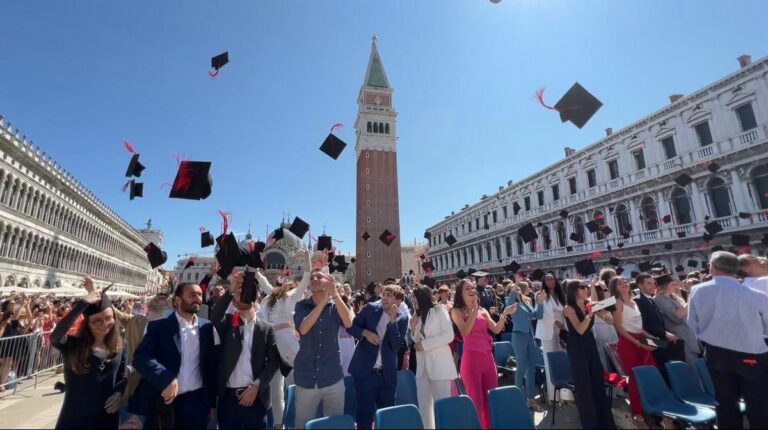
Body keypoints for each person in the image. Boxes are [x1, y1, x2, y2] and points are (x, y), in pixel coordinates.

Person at [688, 251, 768, 429]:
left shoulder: (697, 291)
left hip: (716, 354)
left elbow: (692, 325)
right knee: (758, 404)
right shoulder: (756, 295)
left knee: (725, 403)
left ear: (713, 268)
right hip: (752, 354)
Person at [132, 282, 218, 430]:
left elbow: (210, 366)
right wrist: (166, 378)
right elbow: (141, 357)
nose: (197, 298)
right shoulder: (159, 326)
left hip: (197, 403)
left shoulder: (207, 327)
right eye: (192, 295)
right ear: (177, 300)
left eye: (199, 295)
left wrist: (209, 403)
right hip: (166, 401)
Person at [50, 279, 126, 430]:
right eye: (97, 321)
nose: (105, 325)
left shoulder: (119, 346)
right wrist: (83, 303)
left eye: (109, 318)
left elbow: (122, 377)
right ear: (87, 324)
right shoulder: (73, 346)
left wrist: (119, 393)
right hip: (75, 419)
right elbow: (55, 336)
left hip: (106, 419)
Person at [210, 271, 281, 429]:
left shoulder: (266, 329)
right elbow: (214, 317)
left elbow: (274, 362)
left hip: (256, 397)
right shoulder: (228, 324)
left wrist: (257, 385)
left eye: (246, 293)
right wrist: (231, 290)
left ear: (255, 298)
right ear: (233, 302)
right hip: (228, 398)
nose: (242, 295)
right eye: (238, 294)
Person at [255, 248, 311, 427]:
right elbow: (264, 282)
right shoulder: (275, 295)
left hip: (285, 338)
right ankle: (279, 424)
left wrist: (307, 261)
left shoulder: (290, 295)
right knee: (275, 388)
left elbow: (305, 280)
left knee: (298, 380)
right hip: (272, 341)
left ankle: (301, 419)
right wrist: (256, 269)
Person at [451, 279, 516, 429]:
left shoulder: (483, 311)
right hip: (471, 361)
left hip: (487, 359)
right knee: (477, 403)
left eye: (473, 287)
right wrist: (474, 310)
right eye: (467, 288)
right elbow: (465, 332)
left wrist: (505, 313)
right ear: (460, 293)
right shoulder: (456, 311)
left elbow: (496, 329)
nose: (472, 290)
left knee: (491, 400)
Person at [293, 269, 354, 429]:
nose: (314, 279)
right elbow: (303, 328)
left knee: (334, 424)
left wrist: (335, 295)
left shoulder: (336, 306)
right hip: (307, 378)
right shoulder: (301, 306)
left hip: (332, 377)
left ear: (328, 281)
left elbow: (348, 323)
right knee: (302, 425)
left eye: (319, 276)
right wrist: (323, 301)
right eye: (312, 277)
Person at [347, 284, 409, 429]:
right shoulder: (370, 309)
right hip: (366, 373)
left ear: (398, 301)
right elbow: (351, 327)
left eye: (389, 295)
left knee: (388, 415)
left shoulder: (402, 317)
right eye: (384, 294)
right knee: (364, 416)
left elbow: (396, 346)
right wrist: (365, 333)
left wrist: (393, 322)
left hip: (386, 375)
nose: (385, 298)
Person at [562, 280, 616, 429]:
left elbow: (611, 319)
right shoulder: (568, 308)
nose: (585, 289)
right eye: (582, 287)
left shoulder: (590, 304)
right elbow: (580, 329)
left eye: (586, 287)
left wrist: (604, 310)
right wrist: (590, 313)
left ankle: (605, 423)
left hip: (590, 345)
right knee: (584, 386)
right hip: (577, 347)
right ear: (574, 291)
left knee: (597, 383)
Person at [113, 292, 170, 417]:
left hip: (155, 390)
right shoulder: (136, 320)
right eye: (157, 297)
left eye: (164, 298)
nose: (158, 299)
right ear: (149, 306)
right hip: (131, 385)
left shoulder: (171, 330)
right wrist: (101, 296)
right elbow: (115, 313)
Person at [610, 276, 657, 427]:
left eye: (624, 282)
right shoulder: (617, 303)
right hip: (627, 343)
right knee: (635, 379)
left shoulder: (635, 302)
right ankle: (637, 413)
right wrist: (637, 342)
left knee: (651, 373)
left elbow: (639, 326)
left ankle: (652, 407)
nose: (623, 284)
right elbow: (619, 328)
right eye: (619, 283)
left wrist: (651, 337)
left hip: (641, 340)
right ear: (615, 288)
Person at [410, 286, 457, 429]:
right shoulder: (417, 315)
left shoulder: (439, 310)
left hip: (439, 366)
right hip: (422, 367)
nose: (413, 301)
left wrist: (425, 344)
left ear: (423, 297)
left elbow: (449, 335)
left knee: (442, 406)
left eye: (415, 297)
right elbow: (416, 340)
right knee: (424, 407)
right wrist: (413, 329)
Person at [635, 273, 684, 381]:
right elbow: (644, 324)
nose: (653, 286)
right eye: (649, 283)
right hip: (651, 341)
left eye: (654, 283)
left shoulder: (650, 298)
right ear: (640, 285)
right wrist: (665, 334)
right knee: (661, 372)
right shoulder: (638, 300)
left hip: (660, 340)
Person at [535, 273, 574, 405]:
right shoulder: (541, 295)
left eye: (552, 278)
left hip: (562, 330)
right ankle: (553, 397)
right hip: (548, 331)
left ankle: (566, 395)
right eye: (547, 279)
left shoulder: (561, 295)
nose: (550, 281)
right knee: (550, 362)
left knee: (563, 361)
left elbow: (565, 312)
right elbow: (543, 314)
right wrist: (555, 322)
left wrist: (563, 325)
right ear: (544, 282)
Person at [505, 280, 545, 411]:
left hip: (529, 336)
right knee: (521, 367)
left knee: (531, 368)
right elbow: (509, 305)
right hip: (518, 335)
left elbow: (537, 315)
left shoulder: (527, 301)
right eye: (527, 287)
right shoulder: (513, 301)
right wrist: (514, 287)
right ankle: (518, 400)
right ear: (521, 289)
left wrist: (540, 302)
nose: (530, 289)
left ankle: (531, 399)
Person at [654, 276, 700, 368]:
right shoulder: (659, 300)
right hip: (681, 340)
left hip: (689, 337)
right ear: (665, 286)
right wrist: (691, 298)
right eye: (673, 284)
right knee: (691, 370)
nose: (675, 286)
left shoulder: (673, 298)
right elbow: (677, 316)